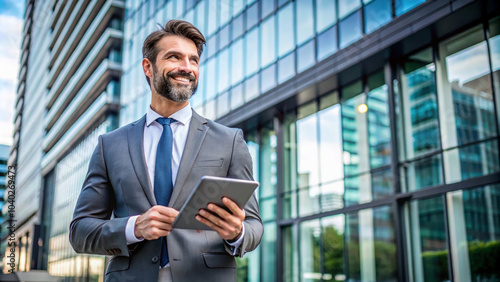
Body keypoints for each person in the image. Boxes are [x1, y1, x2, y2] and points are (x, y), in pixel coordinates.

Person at [69, 20, 263, 282]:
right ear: (148, 67)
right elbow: (80, 231)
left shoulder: (229, 140)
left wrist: (236, 232)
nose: (187, 67)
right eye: (175, 57)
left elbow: (254, 225)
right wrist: (134, 227)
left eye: (193, 60)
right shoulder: (110, 145)